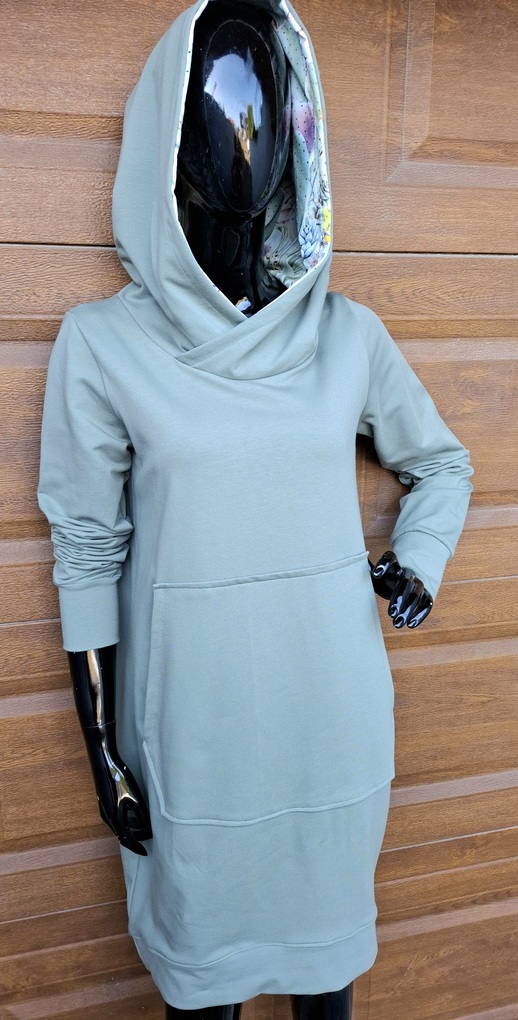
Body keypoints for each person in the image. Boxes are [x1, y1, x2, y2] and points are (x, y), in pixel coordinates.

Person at [37, 1, 473, 1017]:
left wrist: (418, 559)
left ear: (297, 138)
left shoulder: (347, 338)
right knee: (206, 989)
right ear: (164, 139)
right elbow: (87, 550)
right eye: (216, 112)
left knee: (328, 988)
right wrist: (104, 752)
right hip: (192, 734)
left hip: (333, 720)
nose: (244, 142)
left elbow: (441, 464)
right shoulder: (102, 345)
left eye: (264, 111)